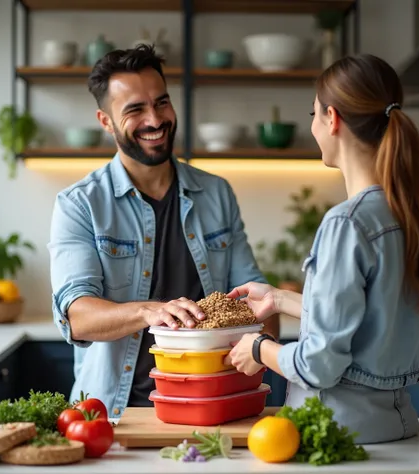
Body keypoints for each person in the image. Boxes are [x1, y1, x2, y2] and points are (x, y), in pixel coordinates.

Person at [224, 54, 419, 444]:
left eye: (313, 114)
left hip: (338, 435)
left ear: (332, 119)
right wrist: (279, 299)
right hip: (398, 431)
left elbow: (319, 365)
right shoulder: (414, 212)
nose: (313, 126)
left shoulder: (346, 223)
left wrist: (259, 348)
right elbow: (370, 321)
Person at [47, 44, 275, 418]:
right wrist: (150, 311)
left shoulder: (216, 193)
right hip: (115, 414)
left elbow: (255, 294)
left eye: (162, 103)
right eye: (135, 109)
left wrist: (266, 349)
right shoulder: (80, 204)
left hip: (213, 405)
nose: (155, 119)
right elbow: (77, 316)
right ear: (105, 121)